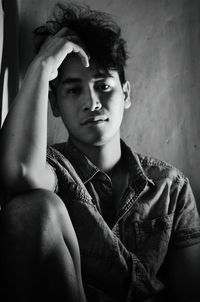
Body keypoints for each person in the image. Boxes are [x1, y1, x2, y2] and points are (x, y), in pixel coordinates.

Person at [0, 2, 200, 302]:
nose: (92, 102)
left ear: (126, 94)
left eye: (103, 85)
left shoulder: (171, 186)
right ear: (54, 104)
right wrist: (42, 66)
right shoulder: (53, 168)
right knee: (29, 208)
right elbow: (20, 173)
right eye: (73, 89)